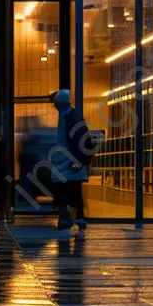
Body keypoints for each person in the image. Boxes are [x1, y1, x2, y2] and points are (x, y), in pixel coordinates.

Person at [50, 88, 91, 232]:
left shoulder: (69, 117)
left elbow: (79, 139)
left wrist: (79, 160)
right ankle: (79, 217)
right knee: (74, 190)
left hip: (69, 162)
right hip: (69, 161)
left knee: (65, 190)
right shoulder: (68, 116)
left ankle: (67, 218)